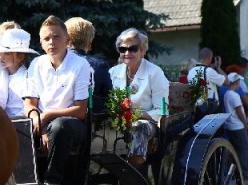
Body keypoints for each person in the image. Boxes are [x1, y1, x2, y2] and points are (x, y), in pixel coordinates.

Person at [24, 15, 92, 185]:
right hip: (44, 122)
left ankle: (52, 183)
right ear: (41, 43)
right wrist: (36, 119)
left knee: (60, 127)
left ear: (67, 40)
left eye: (56, 37)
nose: (51, 42)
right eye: (47, 38)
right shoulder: (36, 64)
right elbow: (29, 104)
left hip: (72, 125)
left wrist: (47, 117)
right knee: (17, 126)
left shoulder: (80, 65)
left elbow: (80, 110)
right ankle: (22, 184)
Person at [108, 28, 170, 167]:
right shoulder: (113, 72)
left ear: (142, 50)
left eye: (133, 49)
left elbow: (162, 110)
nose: (127, 53)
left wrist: (136, 116)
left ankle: (135, 171)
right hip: (120, 120)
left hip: (147, 122)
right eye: (122, 49)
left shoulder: (154, 72)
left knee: (137, 127)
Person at [0, 28, 38, 117]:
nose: (1, 57)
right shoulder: (2, 76)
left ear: (20, 56)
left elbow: (26, 108)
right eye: (1, 53)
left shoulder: (27, 78)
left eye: (7, 54)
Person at [65, 17, 111, 113]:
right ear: (90, 42)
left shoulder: (55, 62)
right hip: (89, 122)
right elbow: (108, 99)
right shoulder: (99, 65)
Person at [223, 73, 248, 179]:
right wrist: (245, 123)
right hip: (237, 125)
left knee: (234, 149)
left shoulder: (227, 94)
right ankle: (242, 172)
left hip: (229, 125)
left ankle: (233, 172)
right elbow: (239, 111)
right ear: (237, 82)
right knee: (242, 149)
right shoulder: (235, 95)